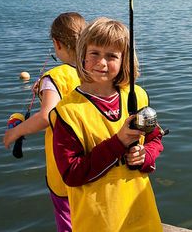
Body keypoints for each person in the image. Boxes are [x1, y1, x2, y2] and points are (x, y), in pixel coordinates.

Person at [51, 17, 163, 232]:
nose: (102, 63)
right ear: (82, 54)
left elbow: (155, 138)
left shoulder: (137, 96)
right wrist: (119, 142)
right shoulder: (67, 112)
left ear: (124, 61)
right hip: (98, 222)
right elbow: (72, 174)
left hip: (142, 214)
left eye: (112, 56)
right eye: (95, 53)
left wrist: (145, 155)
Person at [3, 12, 86, 232]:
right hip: (92, 163)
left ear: (56, 43)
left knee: (68, 220)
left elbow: (45, 116)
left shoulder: (55, 77)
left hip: (64, 169)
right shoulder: (95, 71)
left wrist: (15, 132)